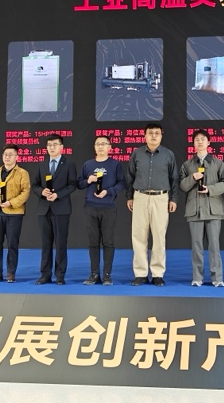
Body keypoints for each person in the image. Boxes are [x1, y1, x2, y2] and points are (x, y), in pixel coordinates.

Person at [125, 122, 179, 287]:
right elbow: (130, 176)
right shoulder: (137, 153)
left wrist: (173, 199)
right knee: (138, 236)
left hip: (161, 198)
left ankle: (157, 274)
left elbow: (174, 178)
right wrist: (130, 197)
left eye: (157, 133)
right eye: (150, 133)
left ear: (161, 135)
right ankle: (140, 273)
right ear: (145, 136)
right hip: (140, 197)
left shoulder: (168, 154)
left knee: (159, 237)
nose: (153, 136)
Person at [179, 129, 224, 287]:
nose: (200, 142)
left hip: (213, 210)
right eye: (197, 139)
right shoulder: (187, 165)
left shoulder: (218, 163)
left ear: (209, 142)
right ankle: (197, 277)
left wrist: (210, 189)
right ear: (193, 144)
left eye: (203, 139)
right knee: (196, 246)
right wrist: (192, 177)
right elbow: (182, 185)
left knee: (214, 245)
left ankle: (217, 278)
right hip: (194, 210)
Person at [77, 135, 126, 285]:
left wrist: (108, 191)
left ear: (109, 147)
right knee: (93, 242)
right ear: (94, 147)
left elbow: (122, 183)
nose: (100, 146)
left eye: (103, 144)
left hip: (108, 207)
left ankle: (107, 274)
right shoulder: (88, 164)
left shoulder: (115, 164)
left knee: (108, 242)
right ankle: (94, 273)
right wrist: (88, 180)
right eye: (97, 144)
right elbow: (79, 184)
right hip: (90, 207)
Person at [31, 133, 77, 285]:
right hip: (44, 209)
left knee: (61, 244)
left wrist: (58, 195)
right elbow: (35, 185)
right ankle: (45, 274)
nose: (52, 148)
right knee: (45, 244)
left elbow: (72, 185)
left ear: (61, 147)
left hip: (61, 208)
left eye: (55, 145)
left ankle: (60, 275)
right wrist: (41, 192)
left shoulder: (69, 164)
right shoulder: (41, 164)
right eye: (49, 145)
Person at [0, 144, 30, 283]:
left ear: (17, 157)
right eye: (5, 155)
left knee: (12, 244)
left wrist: (12, 202)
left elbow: (25, 192)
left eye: (10, 154)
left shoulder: (22, 173)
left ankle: (11, 273)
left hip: (14, 212)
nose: (7, 157)